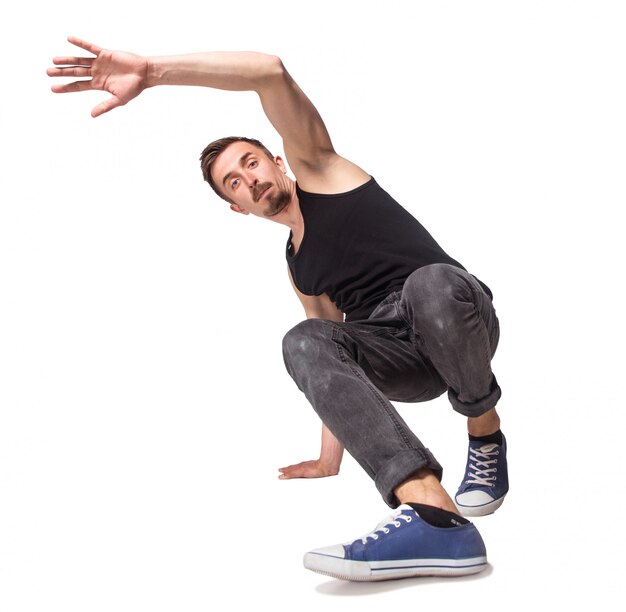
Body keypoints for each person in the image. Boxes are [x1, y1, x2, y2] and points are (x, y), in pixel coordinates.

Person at [48, 36, 508, 582]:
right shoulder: (298, 266)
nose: (251, 179)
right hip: (401, 360)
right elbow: (332, 363)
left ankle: (484, 435)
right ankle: (434, 516)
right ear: (237, 208)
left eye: (252, 162)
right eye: (235, 183)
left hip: (456, 315)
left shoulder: (323, 171)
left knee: (430, 284)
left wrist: (150, 71)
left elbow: (268, 71)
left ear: (278, 158)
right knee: (301, 339)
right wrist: (329, 458)